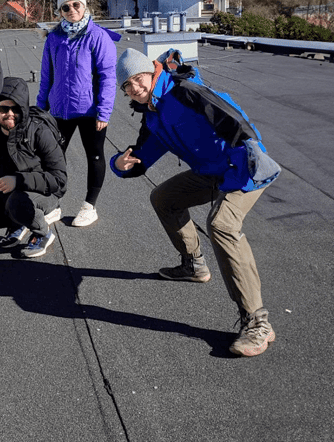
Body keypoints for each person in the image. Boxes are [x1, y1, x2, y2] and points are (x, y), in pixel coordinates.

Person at [110, 48, 281, 357]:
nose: (135, 88)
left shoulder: (184, 92)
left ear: (152, 72)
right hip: (209, 173)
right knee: (164, 198)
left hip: (244, 167)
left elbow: (234, 119)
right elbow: (141, 157)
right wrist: (119, 164)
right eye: (128, 86)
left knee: (221, 225)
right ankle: (194, 264)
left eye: (138, 79)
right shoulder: (153, 114)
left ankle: (257, 323)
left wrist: (251, 155)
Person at [37, 0, 119, 228]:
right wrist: (41, 108)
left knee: (94, 156)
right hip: (60, 111)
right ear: (59, 11)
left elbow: (108, 77)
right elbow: (46, 76)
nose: (72, 9)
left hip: (91, 112)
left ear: (84, 5)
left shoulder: (98, 37)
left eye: (76, 4)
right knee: (53, 159)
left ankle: (89, 206)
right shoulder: (54, 39)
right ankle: (53, 205)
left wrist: (104, 111)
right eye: (66, 6)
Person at [0, 77, 67, 258]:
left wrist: (18, 180)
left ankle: (42, 233)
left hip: (45, 193)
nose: (10, 113)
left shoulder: (39, 131)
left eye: (16, 109)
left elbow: (59, 180)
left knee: (19, 203)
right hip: (9, 189)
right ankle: (17, 224)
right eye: (4, 108)